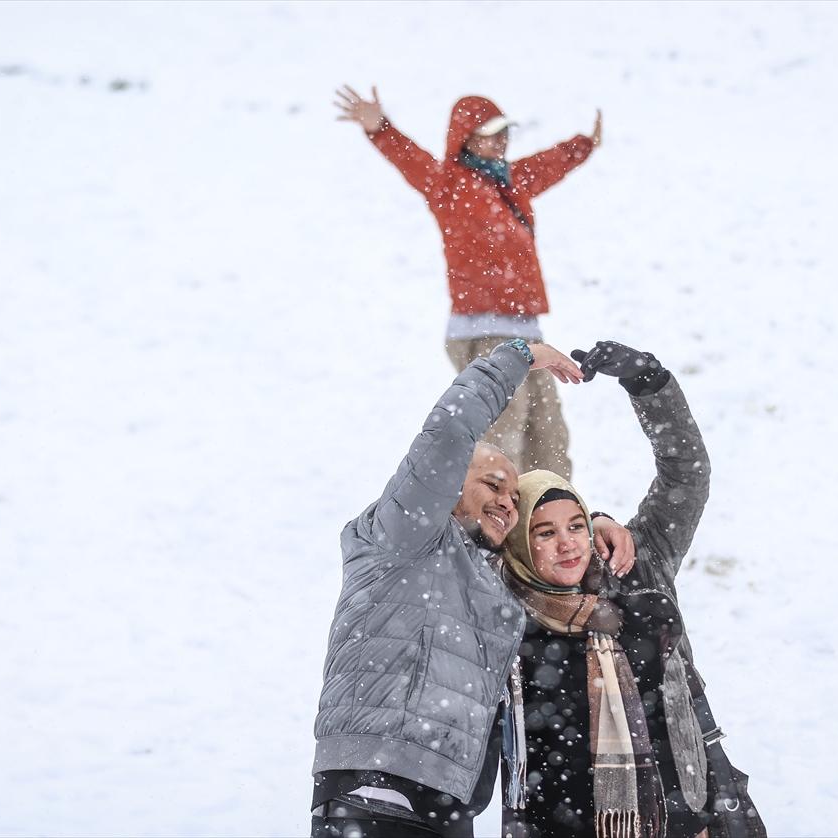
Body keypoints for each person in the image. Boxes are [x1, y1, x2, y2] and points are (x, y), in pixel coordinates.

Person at [311, 338, 638, 838]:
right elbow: (449, 432)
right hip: (376, 789)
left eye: (514, 496)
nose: (508, 501)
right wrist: (519, 356)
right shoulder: (405, 534)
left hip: (447, 806)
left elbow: (550, 560)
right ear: (449, 484)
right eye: (492, 484)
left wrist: (596, 523)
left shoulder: (486, 577)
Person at [495, 341, 767, 838]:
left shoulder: (634, 567)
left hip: (690, 813)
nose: (567, 544)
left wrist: (649, 383)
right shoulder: (500, 606)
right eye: (545, 532)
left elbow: (686, 477)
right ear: (517, 543)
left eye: (577, 525)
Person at [334, 85, 602, 480]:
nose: (500, 141)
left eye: (503, 132)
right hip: (482, 333)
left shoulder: (509, 181)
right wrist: (380, 128)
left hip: (526, 331)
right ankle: (493, 515)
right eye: (489, 134)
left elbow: (546, 165)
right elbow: (412, 160)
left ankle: (552, 512)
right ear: (465, 139)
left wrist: (584, 145)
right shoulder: (449, 184)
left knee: (548, 437)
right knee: (504, 434)